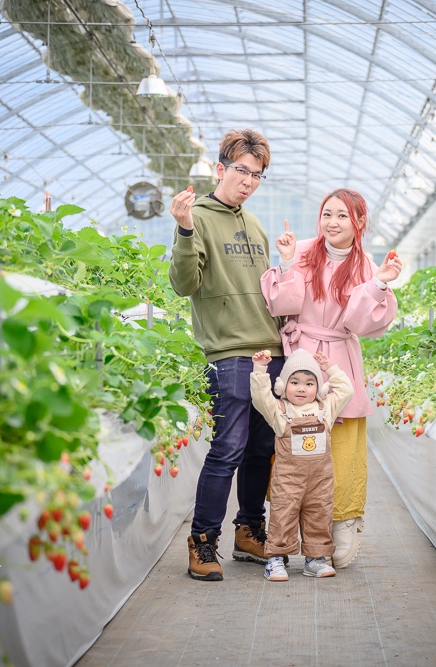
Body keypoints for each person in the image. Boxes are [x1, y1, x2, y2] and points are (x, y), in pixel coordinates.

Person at [260, 188, 402, 568]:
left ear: (359, 222)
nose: (333, 223)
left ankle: (341, 522)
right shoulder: (304, 250)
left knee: (338, 446)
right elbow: (284, 304)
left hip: (338, 356)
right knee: (293, 440)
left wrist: (380, 284)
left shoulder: (367, 266)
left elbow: (359, 323)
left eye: (342, 216)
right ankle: (287, 527)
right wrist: (287, 262)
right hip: (301, 355)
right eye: (327, 214)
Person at [169, 129, 285, 582]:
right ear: (220, 169)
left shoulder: (254, 224)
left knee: (260, 451)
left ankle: (248, 530)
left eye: (257, 175)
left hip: (267, 351)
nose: (249, 181)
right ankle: (202, 541)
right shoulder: (196, 216)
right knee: (227, 450)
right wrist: (182, 230)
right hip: (229, 354)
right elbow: (184, 284)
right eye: (242, 171)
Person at [249, 348, 353, 581]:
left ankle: (316, 559)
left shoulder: (326, 409)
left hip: (320, 479)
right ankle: (275, 558)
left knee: (320, 515)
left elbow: (346, 390)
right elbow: (260, 397)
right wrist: (260, 369)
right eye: (294, 382)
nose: (301, 388)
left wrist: (330, 369)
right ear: (282, 386)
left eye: (309, 383)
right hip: (288, 479)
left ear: (319, 388)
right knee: (282, 516)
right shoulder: (279, 411)